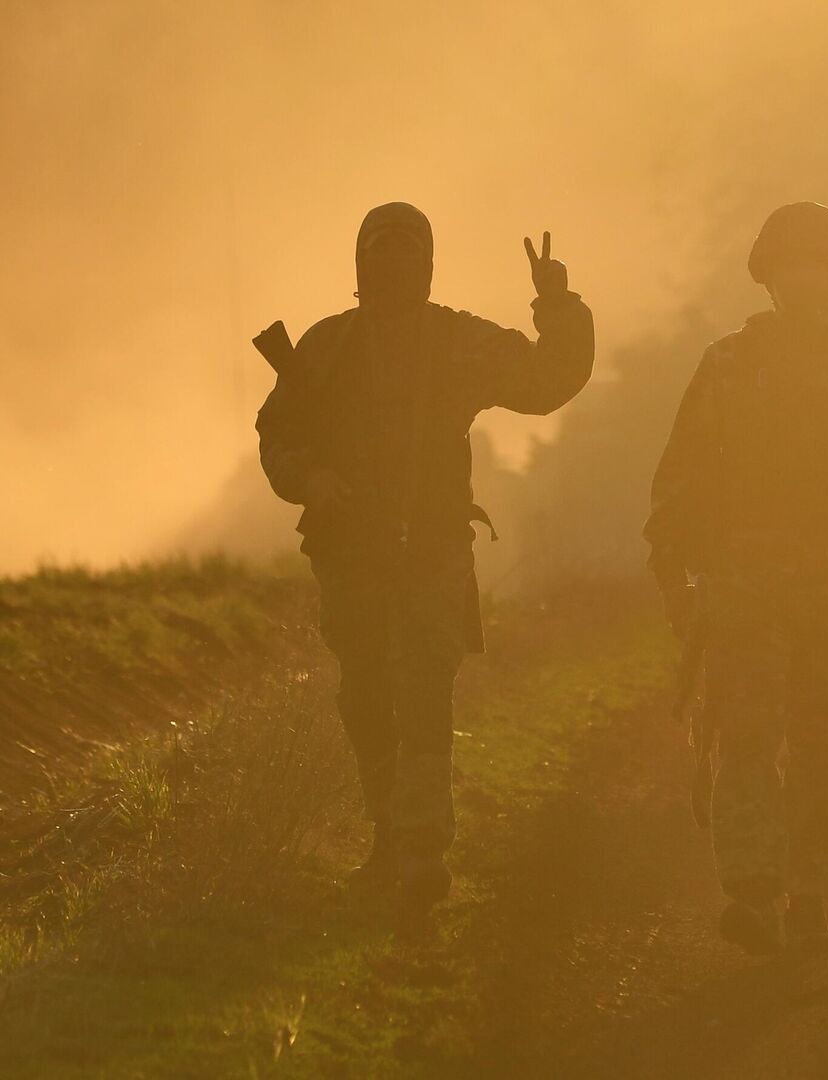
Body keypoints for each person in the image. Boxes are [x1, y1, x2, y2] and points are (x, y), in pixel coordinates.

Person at [256, 203, 594, 936]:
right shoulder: (328, 346)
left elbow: (548, 379)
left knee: (423, 688)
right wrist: (312, 477)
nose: (394, 265)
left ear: (429, 264)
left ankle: (419, 848)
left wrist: (557, 304)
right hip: (352, 554)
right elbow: (277, 433)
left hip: (432, 549)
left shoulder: (454, 340)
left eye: (407, 252)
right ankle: (392, 835)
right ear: (361, 262)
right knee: (370, 697)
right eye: (382, 251)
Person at [645, 202, 828, 955]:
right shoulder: (731, 363)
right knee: (747, 737)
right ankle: (753, 892)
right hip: (744, 585)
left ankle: (812, 895)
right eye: (789, 266)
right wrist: (678, 573)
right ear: (769, 276)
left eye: (816, 265)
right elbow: (681, 473)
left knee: (822, 745)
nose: (803, 280)